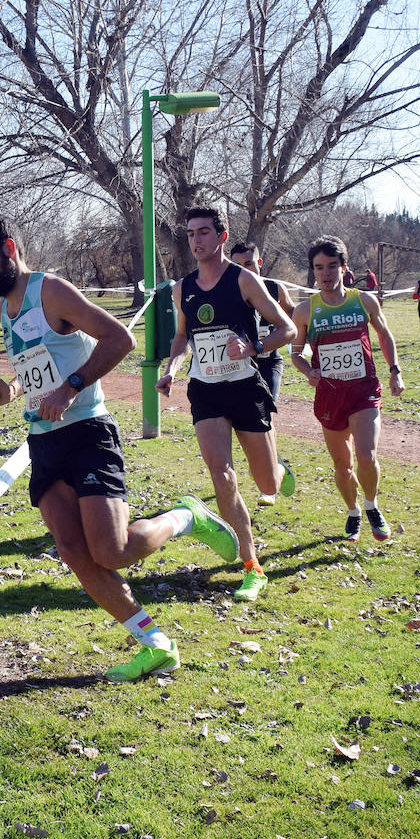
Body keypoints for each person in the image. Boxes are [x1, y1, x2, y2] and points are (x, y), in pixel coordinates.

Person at [0, 213, 240, 683]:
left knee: (111, 550)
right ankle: (155, 644)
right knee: (72, 550)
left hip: (88, 431)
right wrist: (11, 391)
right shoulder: (3, 310)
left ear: (9, 249)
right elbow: (39, 369)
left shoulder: (51, 290)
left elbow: (119, 338)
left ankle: (185, 516)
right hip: (44, 442)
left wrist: (70, 388)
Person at [157, 208, 297, 602]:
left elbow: (287, 328)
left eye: (204, 232)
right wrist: (172, 369)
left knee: (267, 483)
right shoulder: (182, 288)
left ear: (221, 236)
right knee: (222, 476)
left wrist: (254, 347)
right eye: (190, 234)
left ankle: (277, 466)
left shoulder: (244, 280)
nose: (196, 240)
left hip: (244, 388)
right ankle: (252, 567)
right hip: (206, 390)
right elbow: (183, 336)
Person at [289, 235, 404, 543]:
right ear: (313, 271)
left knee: (366, 456)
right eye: (318, 267)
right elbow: (295, 353)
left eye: (331, 266)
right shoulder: (304, 311)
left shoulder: (364, 301)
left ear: (343, 267)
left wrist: (395, 372)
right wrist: (308, 371)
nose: (325, 273)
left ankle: (371, 506)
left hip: (363, 391)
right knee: (343, 466)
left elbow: (385, 335)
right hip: (329, 395)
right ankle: (353, 511)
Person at [228, 242, 297, 506]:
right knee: (241, 423)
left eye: (248, 263)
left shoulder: (274, 287)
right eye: (237, 264)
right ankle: (271, 464)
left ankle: (269, 480)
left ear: (260, 263)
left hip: (268, 362)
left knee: (265, 413)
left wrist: (282, 333)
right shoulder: (228, 289)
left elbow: (291, 312)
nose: (243, 269)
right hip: (240, 366)